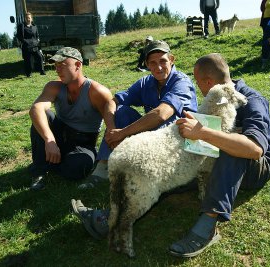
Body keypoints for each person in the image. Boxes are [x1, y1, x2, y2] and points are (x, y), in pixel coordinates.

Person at [168, 53, 270, 257]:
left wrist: (202, 132)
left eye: (197, 81)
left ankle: (208, 225)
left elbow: (254, 149)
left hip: (254, 168)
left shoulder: (253, 101)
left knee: (235, 144)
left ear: (209, 82)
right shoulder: (215, 98)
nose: (197, 87)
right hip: (214, 162)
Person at [77, 40, 198, 190]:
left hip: (181, 142)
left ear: (172, 60)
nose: (158, 67)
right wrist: (111, 130)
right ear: (147, 64)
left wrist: (122, 133)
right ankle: (103, 167)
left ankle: (140, 171)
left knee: (169, 121)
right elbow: (112, 101)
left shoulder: (181, 82)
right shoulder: (146, 82)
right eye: (152, 63)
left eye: (163, 61)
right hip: (155, 137)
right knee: (121, 111)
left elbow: (161, 114)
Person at [29, 47, 115, 190]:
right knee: (46, 115)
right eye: (55, 66)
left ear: (78, 65)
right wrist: (49, 140)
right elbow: (36, 109)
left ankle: (48, 161)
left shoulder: (97, 92)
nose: (57, 70)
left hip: (83, 143)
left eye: (62, 65)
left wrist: (104, 158)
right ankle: (39, 171)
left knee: (78, 168)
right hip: (59, 136)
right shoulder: (54, 87)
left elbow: (111, 126)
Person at [16, 12, 45, 77]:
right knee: (28, 61)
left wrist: (38, 40)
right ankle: (28, 73)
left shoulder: (34, 26)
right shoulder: (21, 26)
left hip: (35, 45)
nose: (28, 19)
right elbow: (19, 36)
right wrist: (24, 42)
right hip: (27, 46)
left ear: (31, 19)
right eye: (26, 18)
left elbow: (37, 35)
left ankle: (42, 71)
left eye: (29, 18)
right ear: (25, 19)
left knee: (39, 57)